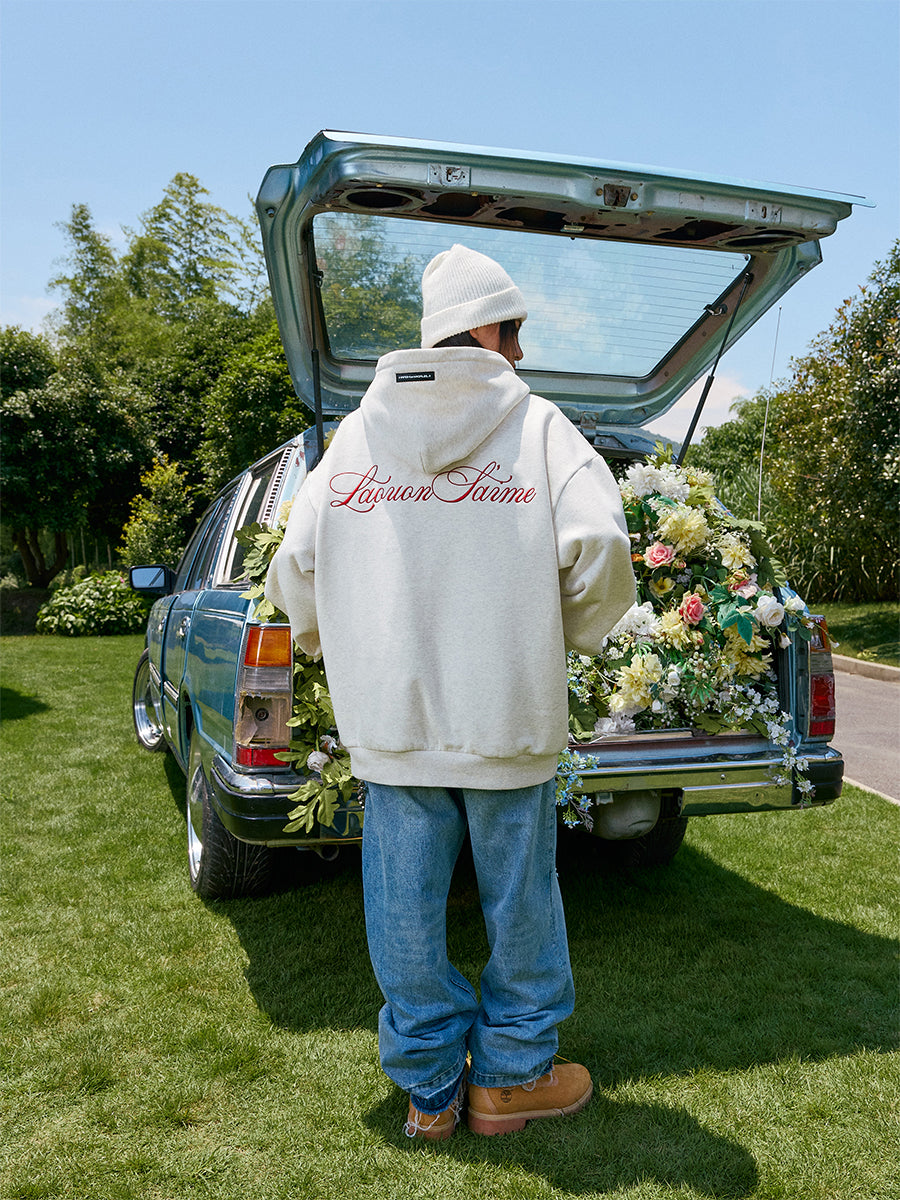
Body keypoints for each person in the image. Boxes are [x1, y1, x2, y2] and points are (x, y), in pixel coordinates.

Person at [265, 243, 636, 1139]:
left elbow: (294, 567)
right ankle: (508, 1080)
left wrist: (334, 639)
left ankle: (430, 1091)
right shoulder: (540, 428)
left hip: (392, 721)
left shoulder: (357, 436)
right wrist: (566, 635)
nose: (519, 353)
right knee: (521, 903)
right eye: (514, 331)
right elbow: (603, 554)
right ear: (482, 327)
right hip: (507, 712)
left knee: (402, 908)